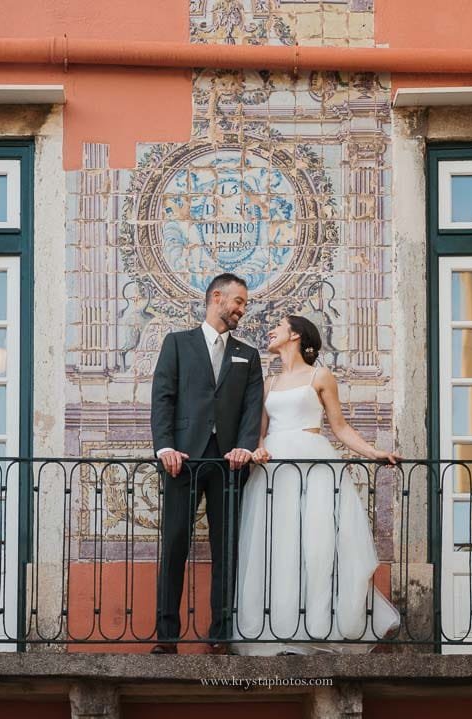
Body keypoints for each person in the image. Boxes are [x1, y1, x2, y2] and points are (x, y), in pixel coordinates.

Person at [233, 315, 401, 655]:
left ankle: (319, 626)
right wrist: (258, 449)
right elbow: (260, 432)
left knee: (316, 545)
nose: (271, 330)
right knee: (277, 546)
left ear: (294, 334)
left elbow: (339, 427)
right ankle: (278, 630)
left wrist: (373, 452)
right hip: (274, 468)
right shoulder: (269, 383)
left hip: (314, 463)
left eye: (278, 325)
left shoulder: (319, 376)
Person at [150, 273, 264, 655]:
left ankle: (221, 632)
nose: (242, 310)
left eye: (244, 304)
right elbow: (163, 398)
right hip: (182, 460)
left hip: (228, 464)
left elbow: (252, 409)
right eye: (239, 302)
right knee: (175, 545)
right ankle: (166, 637)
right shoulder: (178, 344)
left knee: (226, 548)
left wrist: (245, 448)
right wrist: (165, 447)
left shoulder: (248, 356)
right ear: (217, 297)